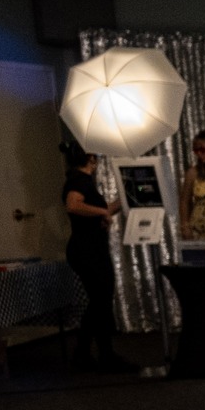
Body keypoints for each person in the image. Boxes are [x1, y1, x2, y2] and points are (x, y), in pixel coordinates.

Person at [60, 145, 134, 373]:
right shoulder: (78, 180)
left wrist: (122, 198)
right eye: (97, 156)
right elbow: (73, 205)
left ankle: (89, 353)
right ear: (91, 158)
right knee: (100, 301)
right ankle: (99, 354)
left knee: (100, 301)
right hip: (86, 250)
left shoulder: (83, 181)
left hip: (91, 249)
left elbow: (100, 210)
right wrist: (102, 213)